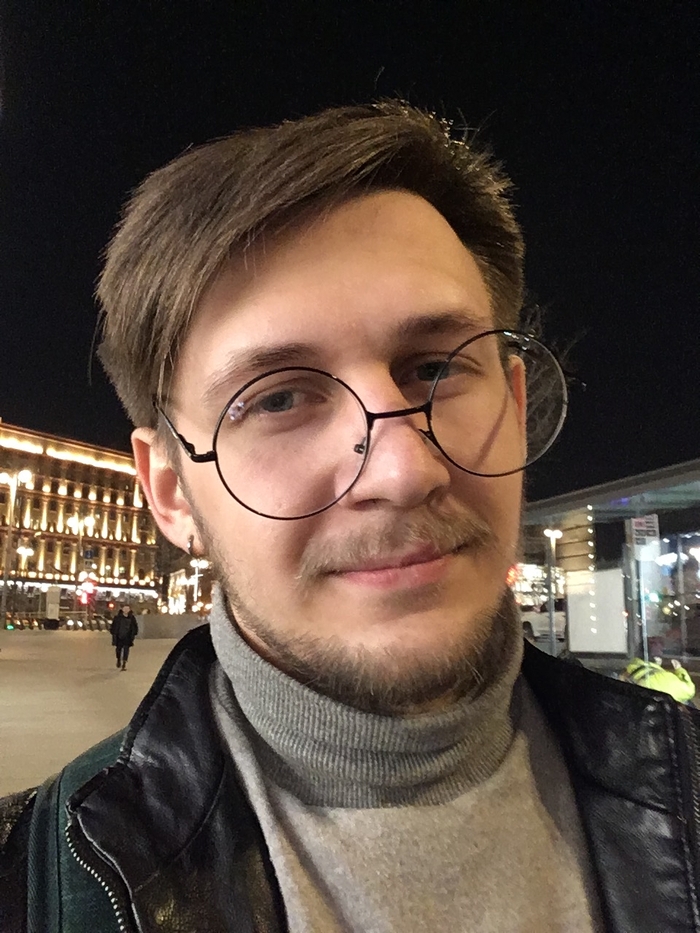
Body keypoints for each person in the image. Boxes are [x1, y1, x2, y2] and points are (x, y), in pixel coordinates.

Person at [1, 101, 699, 933]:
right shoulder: (39, 888)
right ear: (171, 492)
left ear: (515, 407)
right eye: (278, 398)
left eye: (435, 368)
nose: (403, 469)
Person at [110, 603, 139, 671]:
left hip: (128, 637)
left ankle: (124, 663)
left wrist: (134, 633)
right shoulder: (117, 618)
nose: (126, 610)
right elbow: (113, 626)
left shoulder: (132, 618)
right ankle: (118, 660)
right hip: (119, 637)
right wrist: (114, 633)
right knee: (118, 650)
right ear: (122, 609)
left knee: (126, 650)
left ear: (129, 609)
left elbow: (135, 626)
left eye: (127, 609)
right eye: (125, 608)